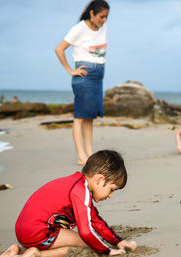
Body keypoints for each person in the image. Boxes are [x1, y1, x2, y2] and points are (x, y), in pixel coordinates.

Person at [0, 150, 137, 257]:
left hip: (24, 231)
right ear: (99, 179)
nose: (111, 195)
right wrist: (107, 251)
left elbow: (95, 220)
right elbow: (86, 231)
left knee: (84, 240)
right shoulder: (80, 191)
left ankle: (16, 251)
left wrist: (119, 241)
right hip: (39, 231)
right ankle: (37, 255)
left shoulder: (75, 184)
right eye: (111, 189)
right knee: (86, 245)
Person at [55, 0, 110, 166]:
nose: (104, 20)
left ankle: (89, 153)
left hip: (99, 75)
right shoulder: (79, 28)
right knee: (80, 116)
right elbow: (59, 49)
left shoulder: (103, 28)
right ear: (92, 14)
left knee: (90, 117)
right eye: (101, 16)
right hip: (85, 75)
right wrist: (70, 70)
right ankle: (81, 155)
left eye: (107, 17)